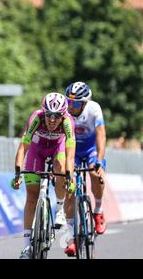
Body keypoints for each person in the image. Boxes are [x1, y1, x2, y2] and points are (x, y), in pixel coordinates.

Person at [12, 92, 75, 259]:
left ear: (63, 115)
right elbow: (24, 145)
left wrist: (69, 175)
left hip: (57, 150)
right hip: (36, 150)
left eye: (56, 116)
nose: (52, 120)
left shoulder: (68, 122)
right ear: (43, 112)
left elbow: (70, 151)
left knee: (61, 168)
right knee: (31, 197)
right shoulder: (36, 117)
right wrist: (17, 172)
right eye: (49, 115)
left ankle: (59, 209)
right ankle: (26, 247)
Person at [64, 81, 107, 256]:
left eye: (74, 103)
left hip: (90, 149)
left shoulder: (94, 109)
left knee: (94, 173)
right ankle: (71, 238)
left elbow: (101, 134)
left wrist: (99, 160)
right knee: (69, 188)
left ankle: (98, 211)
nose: (70, 106)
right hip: (72, 149)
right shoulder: (64, 111)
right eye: (68, 102)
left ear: (84, 103)